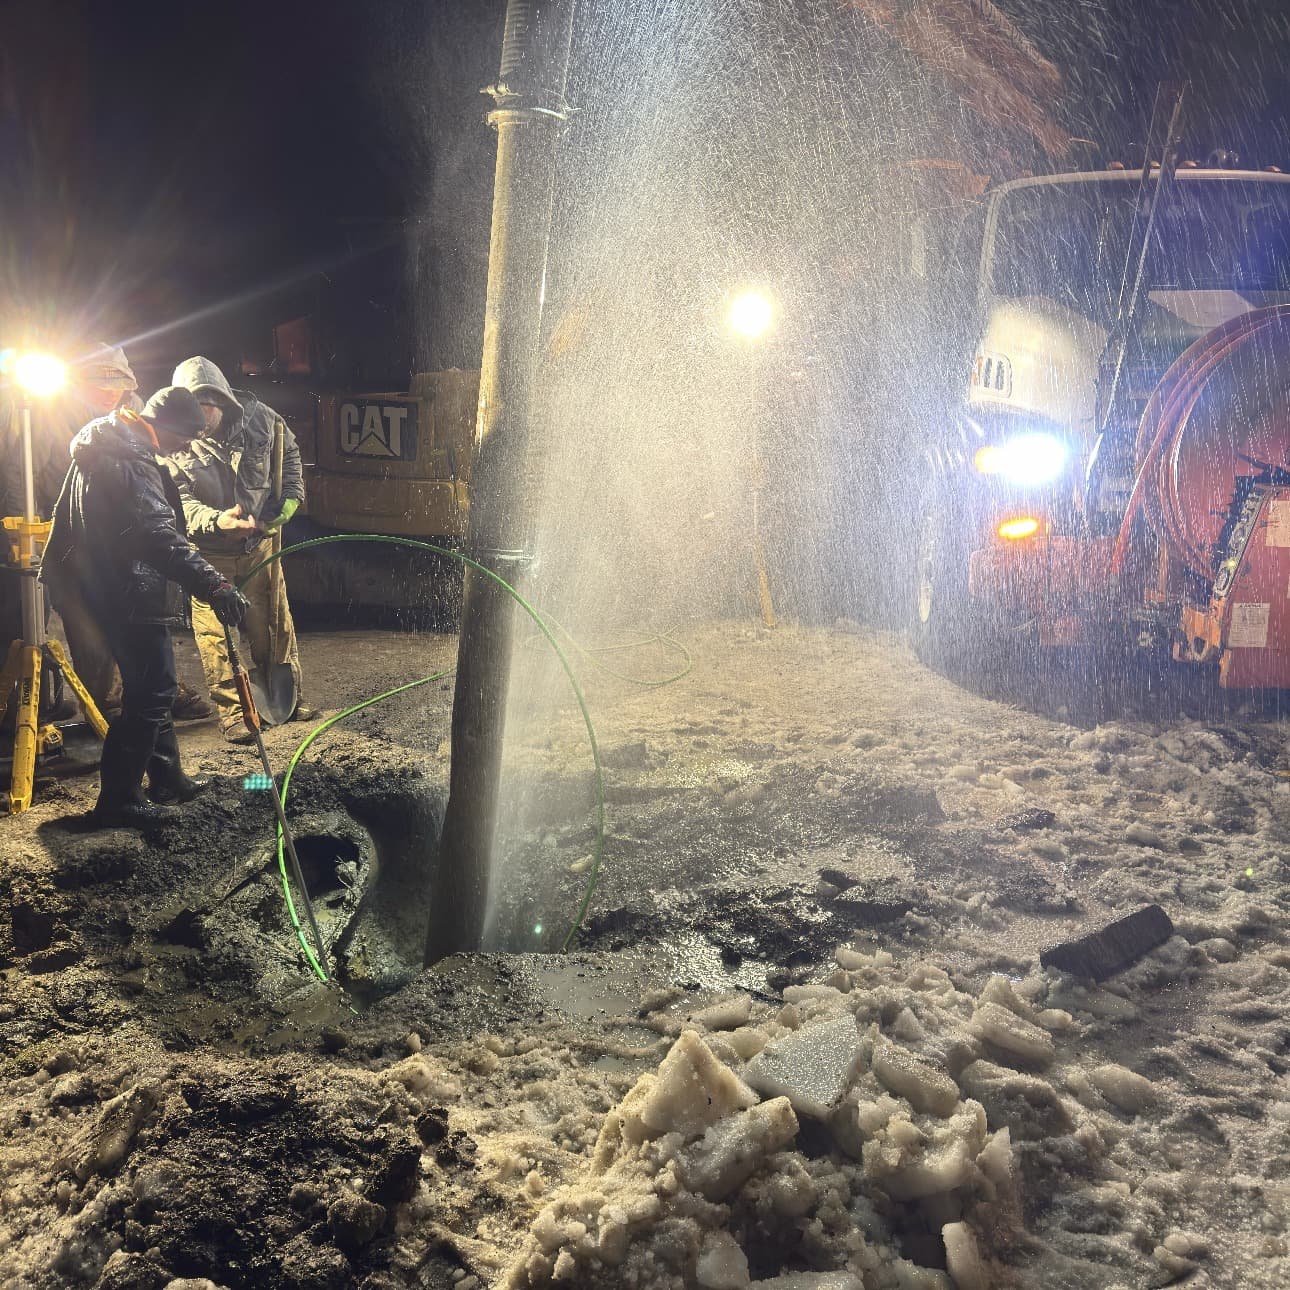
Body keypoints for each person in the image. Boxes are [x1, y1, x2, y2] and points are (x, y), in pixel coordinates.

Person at [42, 386, 248, 829]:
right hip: (127, 589)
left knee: (151, 685)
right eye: (186, 436)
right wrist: (214, 583)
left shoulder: (108, 444)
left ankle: (168, 779)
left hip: (103, 584)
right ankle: (119, 798)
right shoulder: (129, 460)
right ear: (166, 426)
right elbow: (155, 534)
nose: (185, 446)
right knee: (153, 689)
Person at [29, 344, 215, 720]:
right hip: (75, 551)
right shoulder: (90, 435)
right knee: (95, 646)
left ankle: (152, 710)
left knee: (142, 649)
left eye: (115, 385)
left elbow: (151, 501)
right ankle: (110, 720)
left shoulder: (129, 422)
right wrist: (213, 584)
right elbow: (154, 530)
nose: (108, 393)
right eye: (99, 384)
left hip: (112, 555)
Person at [167, 356, 314, 743]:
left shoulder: (262, 419)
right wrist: (217, 520)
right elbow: (179, 502)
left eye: (208, 405)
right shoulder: (171, 443)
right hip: (208, 555)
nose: (202, 417)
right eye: (193, 408)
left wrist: (291, 499)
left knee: (273, 624)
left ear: (223, 400)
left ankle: (286, 701)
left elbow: (291, 455)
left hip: (260, 545)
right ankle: (235, 712)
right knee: (217, 634)